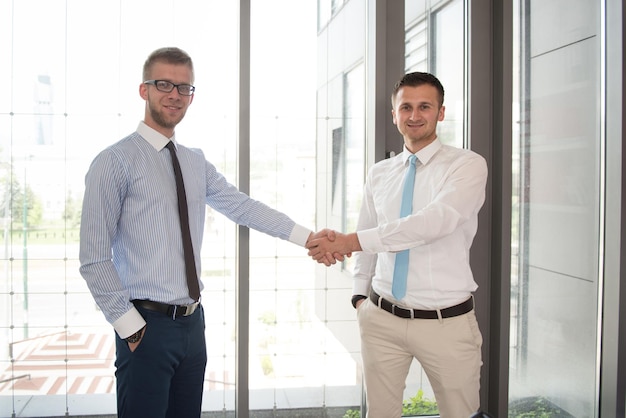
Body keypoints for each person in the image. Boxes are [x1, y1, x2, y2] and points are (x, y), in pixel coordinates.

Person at [79, 46, 332, 418]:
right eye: (163, 84)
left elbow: (241, 206)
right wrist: (129, 327)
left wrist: (307, 237)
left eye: (184, 88)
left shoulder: (194, 161)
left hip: (193, 325)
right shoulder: (114, 161)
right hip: (145, 326)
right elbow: (93, 257)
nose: (174, 95)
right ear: (143, 90)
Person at [306, 72, 488, 418]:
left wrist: (348, 241)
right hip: (381, 319)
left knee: (460, 413)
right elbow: (369, 233)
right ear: (394, 114)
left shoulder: (467, 165)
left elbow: (434, 222)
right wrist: (360, 297)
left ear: (441, 112)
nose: (414, 115)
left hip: (445, 323)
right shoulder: (380, 173)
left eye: (424, 106)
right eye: (406, 107)